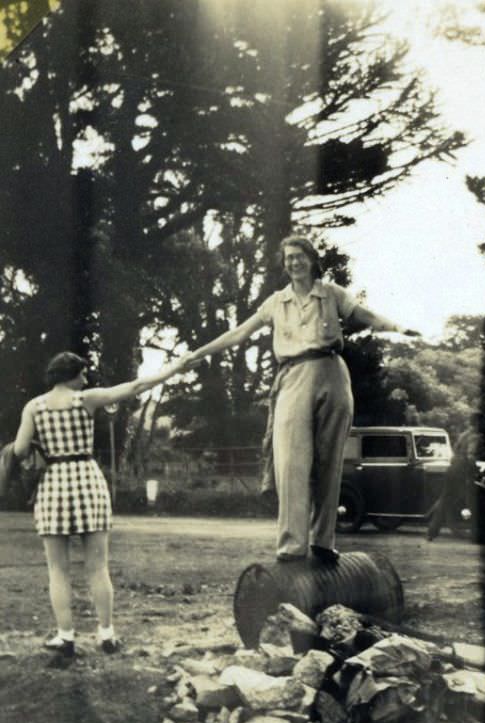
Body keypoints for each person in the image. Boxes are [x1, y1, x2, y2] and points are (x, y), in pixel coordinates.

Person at [185, 235, 419, 565]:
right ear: (285, 264)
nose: (295, 262)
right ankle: (292, 546)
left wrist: (397, 327)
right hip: (293, 375)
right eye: (289, 258)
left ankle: (323, 541)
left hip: (332, 374)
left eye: (300, 256)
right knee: (291, 464)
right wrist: (200, 353)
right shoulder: (275, 302)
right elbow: (239, 332)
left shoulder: (331, 293)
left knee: (330, 461)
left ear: (311, 260)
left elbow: (362, 314)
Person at [13, 350, 189, 659]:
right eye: (81, 374)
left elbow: (20, 449)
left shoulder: (34, 407)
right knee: (98, 566)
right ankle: (106, 633)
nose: (84, 379)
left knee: (58, 569)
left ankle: (65, 637)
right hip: (86, 479)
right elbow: (135, 387)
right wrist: (174, 368)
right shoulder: (87, 399)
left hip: (53, 482)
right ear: (70, 375)